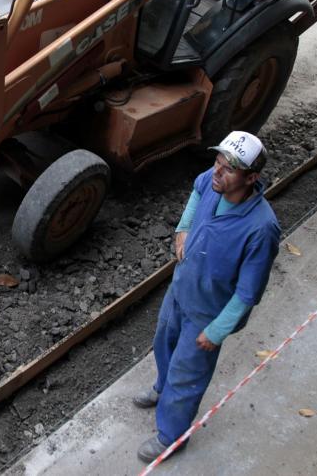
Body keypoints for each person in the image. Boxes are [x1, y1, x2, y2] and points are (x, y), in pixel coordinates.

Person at [134, 131, 280, 463]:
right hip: (180, 290)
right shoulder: (213, 183)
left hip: (207, 315)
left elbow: (248, 292)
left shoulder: (261, 228)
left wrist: (216, 332)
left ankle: (171, 436)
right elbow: (198, 189)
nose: (217, 171)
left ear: (251, 178)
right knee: (164, 345)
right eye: (217, 162)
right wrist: (182, 229)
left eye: (228, 169)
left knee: (188, 375)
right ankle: (160, 388)